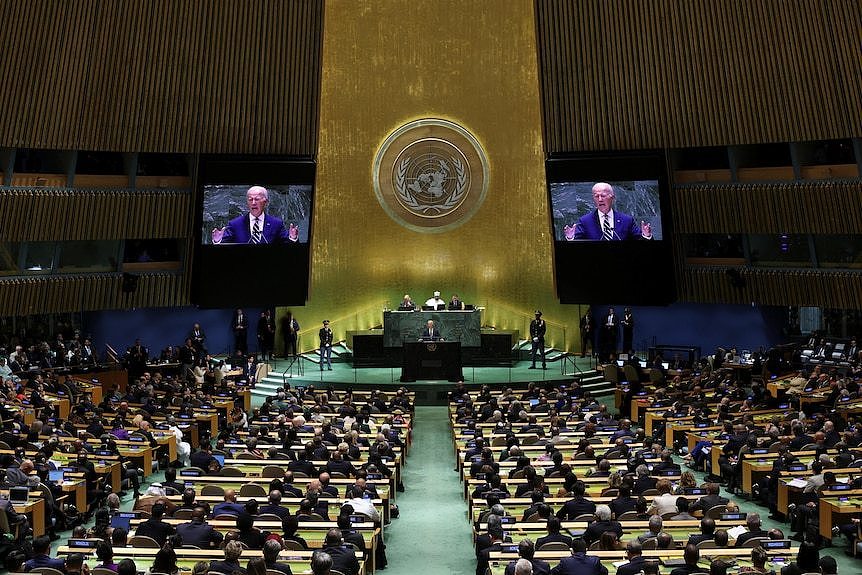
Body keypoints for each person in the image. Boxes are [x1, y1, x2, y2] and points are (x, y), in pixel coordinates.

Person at [571, 182, 652, 241]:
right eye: (596, 196)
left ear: (612, 198)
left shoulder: (627, 220)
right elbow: (577, 242)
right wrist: (571, 238)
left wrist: (646, 235)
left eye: (603, 196)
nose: (600, 199)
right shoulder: (585, 221)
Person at [212, 186, 292, 244]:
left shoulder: (276, 223)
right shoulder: (235, 224)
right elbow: (224, 246)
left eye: (257, 199)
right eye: (250, 199)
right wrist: (217, 241)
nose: (253, 203)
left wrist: (293, 238)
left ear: (266, 203)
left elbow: (287, 244)